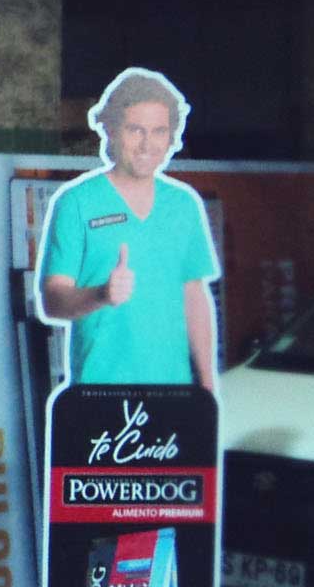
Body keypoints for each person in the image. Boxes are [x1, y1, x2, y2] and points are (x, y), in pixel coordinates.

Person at [38, 68, 219, 389]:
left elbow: (193, 296)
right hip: (100, 391)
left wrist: (207, 384)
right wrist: (101, 294)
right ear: (110, 129)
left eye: (159, 131)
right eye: (135, 130)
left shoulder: (183, 205)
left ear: (171, 136)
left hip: (173, 391)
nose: (147, 144)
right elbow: (52, 301)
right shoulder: (76, 203)